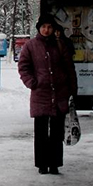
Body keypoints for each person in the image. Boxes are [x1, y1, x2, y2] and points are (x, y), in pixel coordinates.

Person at [18, 14, 77, 176]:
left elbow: (69, 69)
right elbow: (23, 67)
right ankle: (42, 164)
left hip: (59, 94)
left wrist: (72, 90)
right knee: (41, 132)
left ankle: (55, 164)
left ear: (53, 29)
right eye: (43, 27)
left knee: (57, 133)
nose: (46, 30)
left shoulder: (60, 45)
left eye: (49, 27)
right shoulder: (30, 46)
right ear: (39, 28)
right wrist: (32, 83)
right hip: (41, 95)